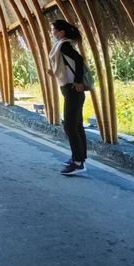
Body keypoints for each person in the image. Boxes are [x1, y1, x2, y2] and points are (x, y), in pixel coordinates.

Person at [48, 20, 88, 175]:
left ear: (61, 32)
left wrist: (78, 81)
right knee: (76, 125)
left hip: (73, 89)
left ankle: (78, 163)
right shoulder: (62, 45)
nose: (52, 33)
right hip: (70, 89)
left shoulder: (64, 45)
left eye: (53, 30)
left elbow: (79, 60)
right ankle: (79, 158)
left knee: (70, 126)